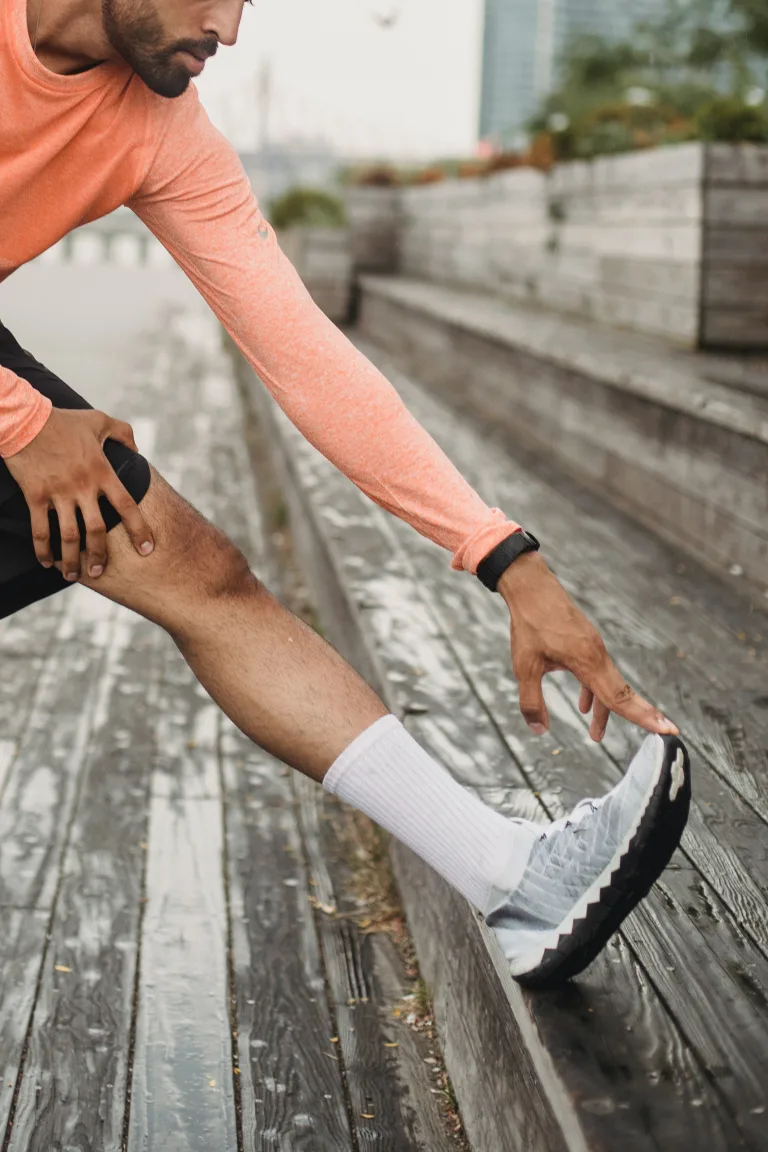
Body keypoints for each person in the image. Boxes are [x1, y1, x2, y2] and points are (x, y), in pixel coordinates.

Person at [0, 0, 690, 987]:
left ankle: (514, 880)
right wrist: (23, 425)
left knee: (198, 571)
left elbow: (307, 356)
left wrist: (507, 559)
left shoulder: (162, 131)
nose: (229, 31)